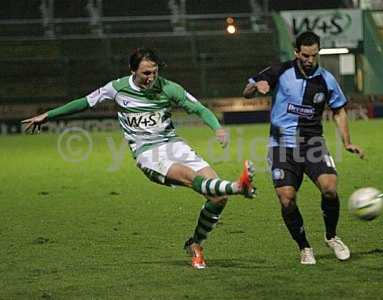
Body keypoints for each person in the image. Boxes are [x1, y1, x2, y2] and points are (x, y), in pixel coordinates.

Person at [22, 47, 256, 269]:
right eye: (146, 73)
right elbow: (84, 102)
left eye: (155, 72)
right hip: (148, 154)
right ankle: (238, 186)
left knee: (218, 198)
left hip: (174, 145)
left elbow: (200, 109)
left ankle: (196, 244)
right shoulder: (117, 88)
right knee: (191, 177)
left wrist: (217, 128)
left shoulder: (169, 87)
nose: (151, 77)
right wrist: (48, 115)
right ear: (132, 70)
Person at [242, 31, 364, 264]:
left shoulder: (326, 78)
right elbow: (246, 92)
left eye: (314, 55)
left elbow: (338, 110)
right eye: (305, 55)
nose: (310, 60)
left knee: (330, 187)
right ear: (297, 52)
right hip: (281, 146)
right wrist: (256, 86)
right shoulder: (279, 71)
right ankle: (304, 247)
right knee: (287, 199)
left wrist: (346, 142)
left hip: (312, 144)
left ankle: (332, 236)